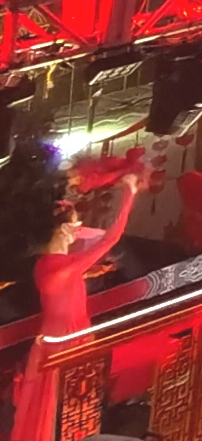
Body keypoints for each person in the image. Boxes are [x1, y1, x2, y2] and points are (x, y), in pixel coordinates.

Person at [11, 169, 139, 441]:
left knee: (62, 406)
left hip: (65, 336)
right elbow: (111, 238)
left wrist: (74, 226)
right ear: (62, 230)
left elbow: (85, 237)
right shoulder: (63, 268)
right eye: (74, 227)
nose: (78, 232)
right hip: (67, 341)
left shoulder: (45, 264)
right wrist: (129, 193)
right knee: (63, 407)